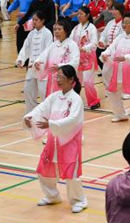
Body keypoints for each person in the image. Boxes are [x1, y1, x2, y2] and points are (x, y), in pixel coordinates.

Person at [24, 65, 88, 213]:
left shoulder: (76, 99)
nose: (58, 80)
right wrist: (30, 118)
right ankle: (52, 196)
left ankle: (79, 200)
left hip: (69, 141)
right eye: (57, 76)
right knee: (43, 170)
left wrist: (51, 124)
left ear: (71, 80)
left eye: (61, 77)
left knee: (71, 174)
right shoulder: (54, 97)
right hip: (53, 141)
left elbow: (73, 120)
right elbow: (41, 109)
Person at [103, 13, 130, 125]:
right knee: (112, 93)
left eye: (127, 22)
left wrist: (126, 57)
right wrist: (105, 53)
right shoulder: (120, 37)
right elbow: (111, 48)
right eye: (123, 22)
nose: (124, 24)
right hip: (117, 70)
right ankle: (120, 114)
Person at [16, 11, 53, 112]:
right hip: (32, 69)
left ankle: (47, 113)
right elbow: (25, 48)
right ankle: (32, 113)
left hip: (42, 69)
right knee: (28, 91)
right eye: (33, 20)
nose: (34, 22)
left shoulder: (48, 33)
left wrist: (39, 62)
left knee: (43, 92)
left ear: (42, 20)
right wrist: (21, 60)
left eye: (36, 20)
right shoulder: (31, 33)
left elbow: (48, 50)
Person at [33, 19, 80, 98]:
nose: (56, 32)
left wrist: (60, 66)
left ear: (66, 31)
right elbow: (43, 56)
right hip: (52, 79)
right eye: (55, 29)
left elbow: (75, 62)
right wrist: (38, 62)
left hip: (65, 79)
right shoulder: (53, 45)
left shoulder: (72, 45)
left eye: (59, 29)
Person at [72, 7, 101, 110]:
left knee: (88, 81)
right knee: (76, 81)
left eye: (81, 14)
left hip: (88, 58)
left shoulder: (92, 28)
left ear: (88, 15)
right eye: (78, 14)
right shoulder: (76, 28)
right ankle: (75, 101)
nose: (79, 16)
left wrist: (84, 48)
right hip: (77, 58)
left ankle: (94, 101)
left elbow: (94, 43)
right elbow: (71, 41)